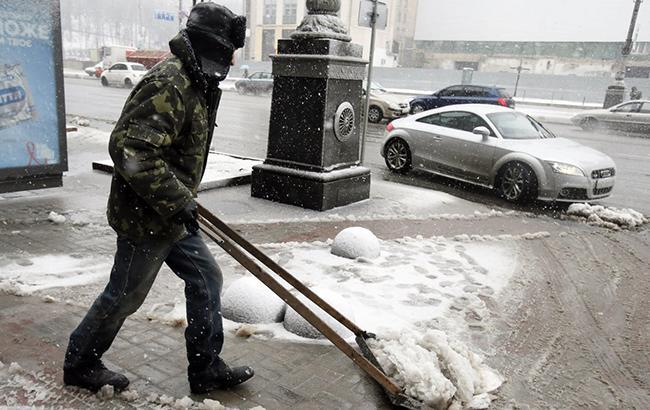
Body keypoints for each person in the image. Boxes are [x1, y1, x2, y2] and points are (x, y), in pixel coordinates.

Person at [63, 2, 253, 395]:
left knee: (206, 279)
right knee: (124, 296)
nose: (229, 65)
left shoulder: (198, 79)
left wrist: (180, 202)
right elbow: (131, 150)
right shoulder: (171, 82)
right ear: (207, 47)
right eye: (225, 55)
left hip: (172, 214)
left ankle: (205, 368)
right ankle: (81, 363)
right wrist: (176, 199)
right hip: (145, 218)